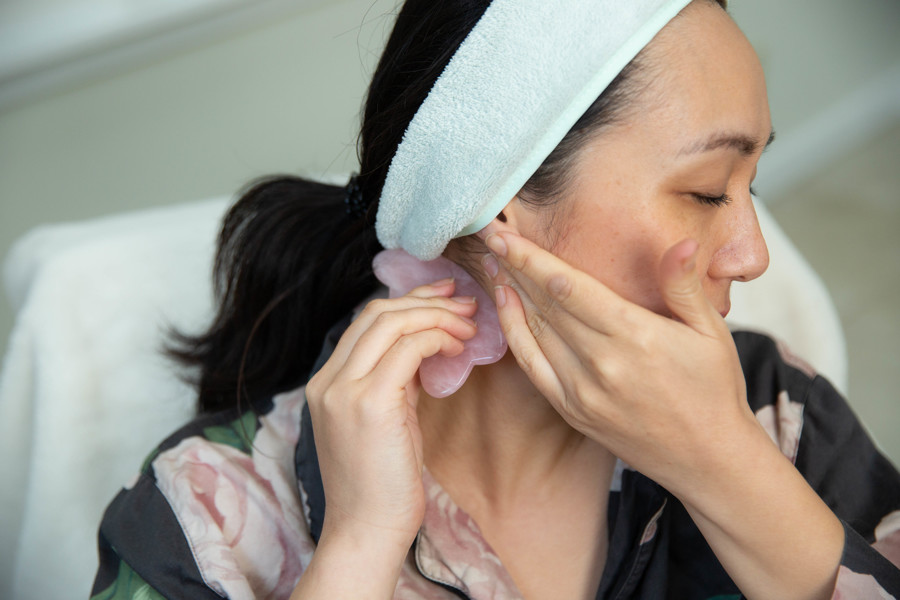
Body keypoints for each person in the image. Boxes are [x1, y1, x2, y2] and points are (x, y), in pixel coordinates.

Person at [91, 0, 900, 599]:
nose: (754, 255)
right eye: (705, 190)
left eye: (749, 186)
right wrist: (360, 550)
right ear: (497, 208)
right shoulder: (205, 517)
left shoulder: (776, 417)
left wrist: (726, 469)